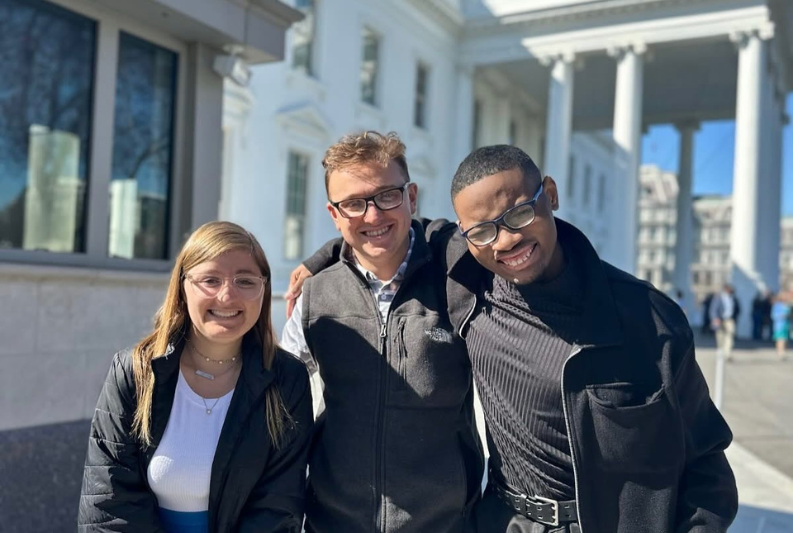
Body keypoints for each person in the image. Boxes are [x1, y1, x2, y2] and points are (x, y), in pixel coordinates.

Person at [293, 144, 737, 532]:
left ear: (552, 194)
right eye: (484, 232)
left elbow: (706, 460)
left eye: (521, 212)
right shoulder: (454, 282)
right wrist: (321, 260)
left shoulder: (647, 318)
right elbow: (389, 231)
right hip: (496, 522)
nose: (506, 241)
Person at [280, 132, 484, 533]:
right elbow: (274, 399)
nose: (372, 216)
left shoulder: (458, 284)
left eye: (387, 196)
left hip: (445, 525)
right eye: (353, 204)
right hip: (333, 524)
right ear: (334, 214)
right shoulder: (315, 295)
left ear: (412, 197)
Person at [78, 221, 313, 533]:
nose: (227, 297)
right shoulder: (136, 372)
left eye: (245, 281)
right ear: (183, 287)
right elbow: (108, 505)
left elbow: (279, 508)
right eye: (210, 280)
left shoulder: (287, 380)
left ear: (264, 289)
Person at [710, 284, 739, 362]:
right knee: (720, 336)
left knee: (730, 336)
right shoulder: (718, 297)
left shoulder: (733, 298)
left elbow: (737, 309)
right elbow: (713, 309)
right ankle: (720, 352)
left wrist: (735, 318)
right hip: (720, 319)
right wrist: (715, 318)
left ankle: (728, 354)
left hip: (729, 320)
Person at [771, 290, 792, 360]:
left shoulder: (787, 306)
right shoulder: (777, 306)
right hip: (779, 325)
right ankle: (780, 351)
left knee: (785, 339)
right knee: (780, 339)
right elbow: (773, 315)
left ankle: (783, 351)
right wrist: (781, 315)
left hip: (786, 325)